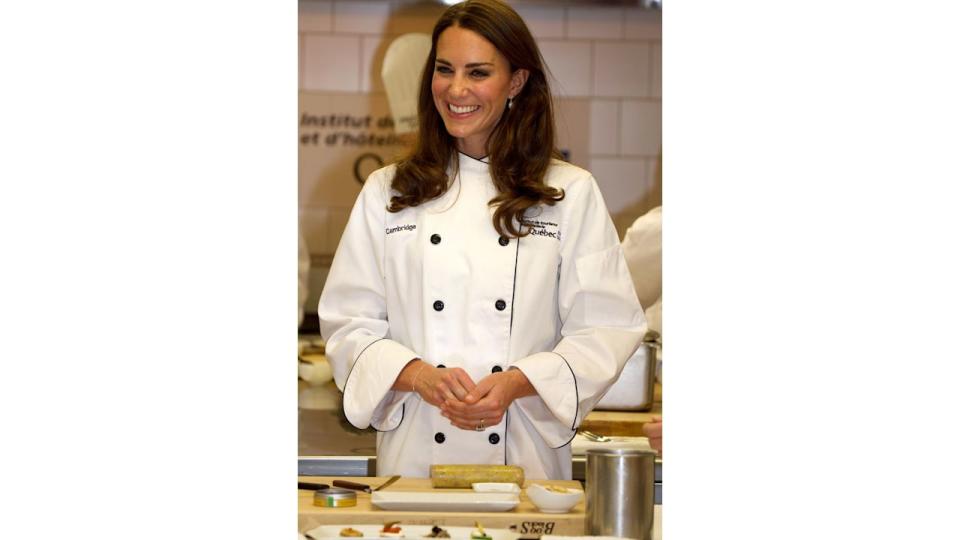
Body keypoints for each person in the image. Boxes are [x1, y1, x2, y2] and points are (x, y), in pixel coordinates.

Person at [317, 0, 646, 480]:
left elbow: (608, 327)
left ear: (516, 82)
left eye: (478, 72)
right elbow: (348, 323)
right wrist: (419, 376)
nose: (456, 89)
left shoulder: (569, 193)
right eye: (444, 69)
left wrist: (517, 382)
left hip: (524, 456)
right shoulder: (389, 192)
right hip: (415, 458)